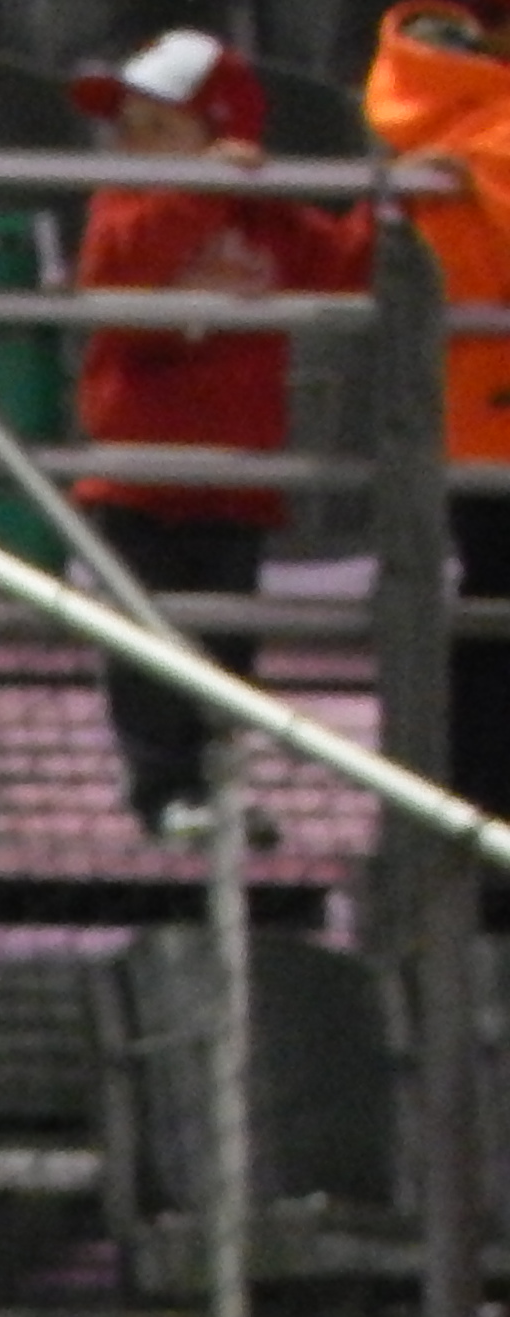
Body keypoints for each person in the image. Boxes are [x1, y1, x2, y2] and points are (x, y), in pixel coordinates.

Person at [69, 32, 368, 839]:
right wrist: (200, 190)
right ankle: (163, 791)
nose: (135, 144)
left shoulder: (265, 215)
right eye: (129, 127)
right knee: (147, 642)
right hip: (138, 477)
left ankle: (220, 784)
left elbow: (343, 267)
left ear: (226, 132)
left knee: (227, 648)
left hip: (236, 479)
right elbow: (120, 290)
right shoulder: (121, 205)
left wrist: (392, 198)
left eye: (160, 128)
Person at [367, 0, 510, 810]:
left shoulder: (437, 120)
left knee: (487, 621)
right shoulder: (491, 128)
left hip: (465, 420)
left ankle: (469, 817)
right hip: (488, 418)